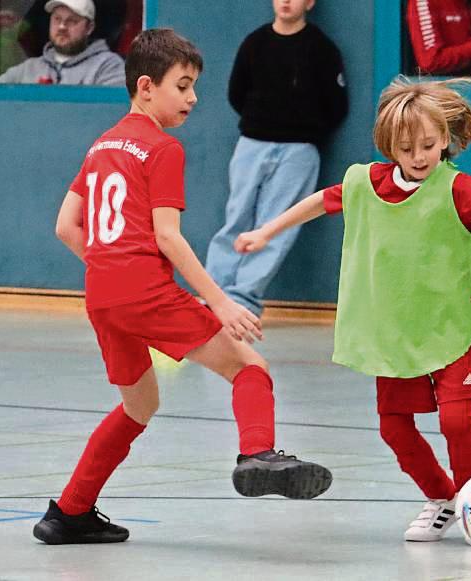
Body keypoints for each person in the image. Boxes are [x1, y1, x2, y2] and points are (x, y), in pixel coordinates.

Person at [33, 28, 332, 545]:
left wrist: (109, 268)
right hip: (144, 292)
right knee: (249, 366)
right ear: (146, 87)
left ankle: (69, 512)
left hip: (102, 296)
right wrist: (221, 302)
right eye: (184, 85)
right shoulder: (162, 148)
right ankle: (258, 453)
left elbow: (66, 227)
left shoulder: (102, 144)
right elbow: (168, 237)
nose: (193, 98)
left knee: (138, 406)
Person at [233, 77, 471, 542]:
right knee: (394, 428)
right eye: (407, 147)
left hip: (450, 327)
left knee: (456, 420)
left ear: (446, 140)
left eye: (430, 145)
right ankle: (444, 498)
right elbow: (318, 202)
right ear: (389, 146)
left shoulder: (458, 187)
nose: (419, 156)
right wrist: (266, 231)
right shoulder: (365, 183)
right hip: (392, 332)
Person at [204, 0, 348, 318]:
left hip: (299, 150)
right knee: (236, 217)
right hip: (251, 144)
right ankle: (214, 296)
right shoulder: (255, 43)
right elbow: (236, 92)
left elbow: (336, 104)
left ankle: (242, 301)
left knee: (276, 225)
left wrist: (306, 130)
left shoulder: (321, 49)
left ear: (310, 3)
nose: (286, 1)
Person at [0, 0, 125, 85]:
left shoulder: (108, 66)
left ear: (89, 28)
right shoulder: (29, 68)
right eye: (56, 19)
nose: (62, 26)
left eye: (72, 21)